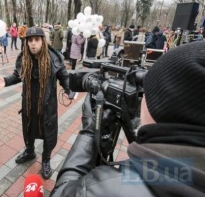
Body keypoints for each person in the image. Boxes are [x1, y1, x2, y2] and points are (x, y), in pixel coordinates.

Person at [52, 41, 205, 196]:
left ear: (160, 106)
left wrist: (90, 131)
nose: (141, 98)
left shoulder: (106, 188)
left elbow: (61, 192)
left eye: (145, 92)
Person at [0, 27, 74, 179]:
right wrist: (5, 81)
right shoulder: (25, 57)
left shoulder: (54, 58)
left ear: (43, 41)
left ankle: (46, 159)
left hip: (47, 105)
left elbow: (64, 77)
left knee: (48, 133)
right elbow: (17, 75)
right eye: (30, 40)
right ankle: (30, 151)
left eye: (36, 40)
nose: (33, 44)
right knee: (29, 128)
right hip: (29, 104)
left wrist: (69, 90)